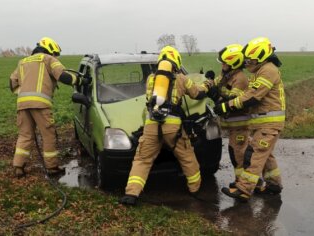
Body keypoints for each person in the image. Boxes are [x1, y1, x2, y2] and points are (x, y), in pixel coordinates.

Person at [119, 46, 211, 206]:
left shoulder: (151, 79)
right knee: (187, 157)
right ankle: (195, 190)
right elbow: (197, 93)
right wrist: (208, 85)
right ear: (176, 62)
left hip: (151, 125)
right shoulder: (182, 78)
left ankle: (131, 194)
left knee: (142, 159)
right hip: (173, 128)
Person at [213, 37, 285, 201]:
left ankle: (244, 189)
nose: (247, 63)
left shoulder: (268, 70)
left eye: (250, 60)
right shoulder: (263, 69)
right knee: (265, 155)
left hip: (269, 123)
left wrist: (227, 106)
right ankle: (273, 185)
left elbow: (252, 96)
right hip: (265, 123)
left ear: (260, 57)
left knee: (253, 155)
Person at [9, 37, 90, 178]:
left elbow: (12, 83)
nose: (56, 57)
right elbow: (63, 76)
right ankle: (52, 167)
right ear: (51, 50)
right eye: (55, 54)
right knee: (48, 135)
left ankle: (18, 167)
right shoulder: (48, 59)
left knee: (25, 135)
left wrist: (24, 94)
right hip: (40, 105)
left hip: (22, 104)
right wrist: (81, 80)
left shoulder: (22, 61)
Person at [205, 44, 250, 187]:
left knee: (239, 155)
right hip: (231, 125)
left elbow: (231, 103)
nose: (222, 64)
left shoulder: (240, 79)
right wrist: (207, 83)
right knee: (234, 153)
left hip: (239, 124)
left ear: (234, 63)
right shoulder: (226, 75)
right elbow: (215, 84)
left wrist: (216, 97)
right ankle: (240, 181)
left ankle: (246, 183)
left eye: (225, 62)